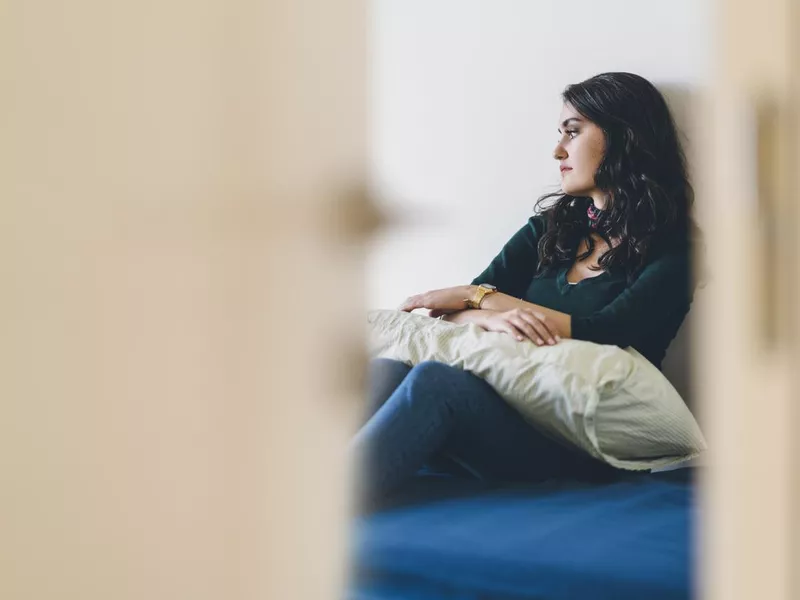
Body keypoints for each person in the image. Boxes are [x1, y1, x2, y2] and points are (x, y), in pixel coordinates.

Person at [352, 72, 703, 507]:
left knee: (434, 383)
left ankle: (311, 515)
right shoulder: (551, 229)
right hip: (500, 415)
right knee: (393, 367)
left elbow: (608, 328)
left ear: (623, 137)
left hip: (578, 443)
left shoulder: (678, 249)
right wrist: (482, 307)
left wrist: (487, 301)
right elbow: (456, 314)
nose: (558, 151)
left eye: (572, 133)